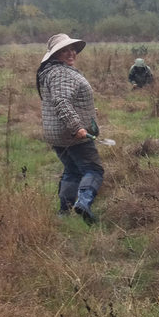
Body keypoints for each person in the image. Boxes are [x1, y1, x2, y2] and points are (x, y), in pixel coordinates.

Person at [36, 33, 103, 224]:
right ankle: (83, 203)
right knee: (94, 170)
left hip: (56, 133)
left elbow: (63, 100)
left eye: (72, 49)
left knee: (72, 170)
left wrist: (87, 110)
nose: (71, 53)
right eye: (64, 50)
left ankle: (64, 212)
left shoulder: (52, 71)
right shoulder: (61, 73)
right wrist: (77, 127)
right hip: (71, 134)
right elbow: (62, 102)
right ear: (55, 55)